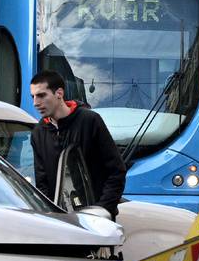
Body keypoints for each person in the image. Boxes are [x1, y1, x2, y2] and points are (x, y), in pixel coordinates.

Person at [28, 70, 126, 217]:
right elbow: (42, 184)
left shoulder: (90, 121)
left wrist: (103, 209)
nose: (36, 103)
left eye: (41, 95)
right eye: (33, 97)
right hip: (61, 221)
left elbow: (116, 171)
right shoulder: (38, 132)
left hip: (98, 218)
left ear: (59, 93)